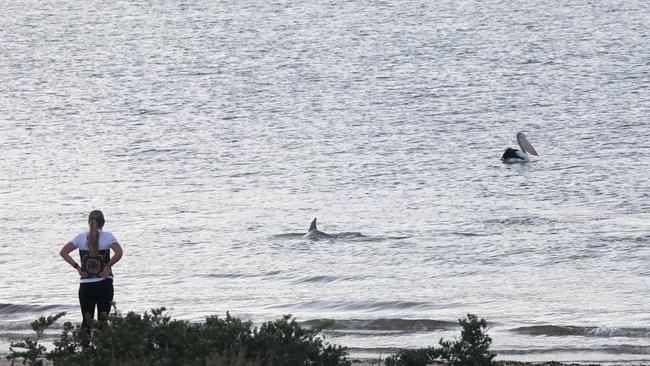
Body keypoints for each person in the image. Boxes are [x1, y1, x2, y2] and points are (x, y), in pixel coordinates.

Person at [60, 210, 123, 333]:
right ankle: (103, 351)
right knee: (103, 321)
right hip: (104, 283)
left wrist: (78, 268)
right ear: (103, 223)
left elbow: (63, 252)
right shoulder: (108, 236)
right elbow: (119, 253)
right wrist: (107, 267)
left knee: (87, 321)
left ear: (89, 222)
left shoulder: (80, 237)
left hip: (86, 286)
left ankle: (85, 350)